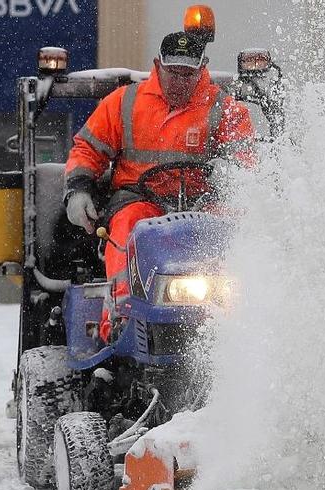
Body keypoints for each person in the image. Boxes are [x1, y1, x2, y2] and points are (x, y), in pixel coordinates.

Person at [63, 31, 256, 341]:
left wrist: (230, 171)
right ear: (158, 65)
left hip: (201, 204)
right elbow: (87, 149)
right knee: (128, 224)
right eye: (173, 72)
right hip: (140, 200)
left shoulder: (225, 109)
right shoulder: (125, 102)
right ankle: (121, 311)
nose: (179, 81)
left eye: (187, 73)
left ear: (201, 68)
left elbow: (244, 158)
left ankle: (238, 314)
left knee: (234, 228)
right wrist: (79, 190)